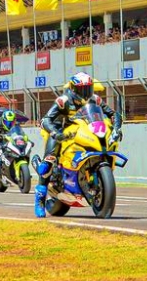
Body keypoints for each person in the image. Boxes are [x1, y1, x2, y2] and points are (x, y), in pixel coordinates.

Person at [34, 72, 121, 218]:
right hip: (61, 131)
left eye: (88, 88)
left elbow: (113, 114)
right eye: (82, 89)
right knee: (48, 162)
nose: (86, 93)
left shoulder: (95, 100)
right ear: (74, 89)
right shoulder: (63, 101)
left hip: (82, 130)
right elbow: (45, 120)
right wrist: (55, 133)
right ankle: (40, 202)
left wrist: (116, 127)